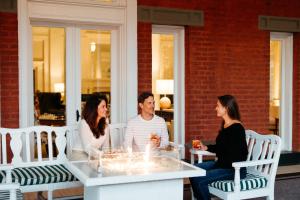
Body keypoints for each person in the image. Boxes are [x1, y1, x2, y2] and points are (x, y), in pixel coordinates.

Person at [190, 95, 248, 200]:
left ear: (226, 108)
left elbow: (242, 153)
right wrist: (206, 147)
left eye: (218, 106)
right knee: (193, 170)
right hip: (222, 164)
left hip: (234, 169)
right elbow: (222, 147)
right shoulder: (226, 125)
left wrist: (218, 165)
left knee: (198, 178)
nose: (215, 108)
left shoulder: (237, 128)